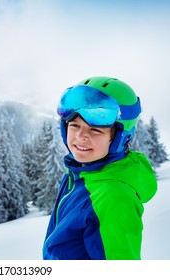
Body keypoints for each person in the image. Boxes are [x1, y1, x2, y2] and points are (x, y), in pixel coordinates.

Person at [42, 76, 157, 260]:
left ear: (121, 137)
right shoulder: (81, 173)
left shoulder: (113, 196)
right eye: (74, 125)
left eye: (95, 130)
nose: (80, 136)